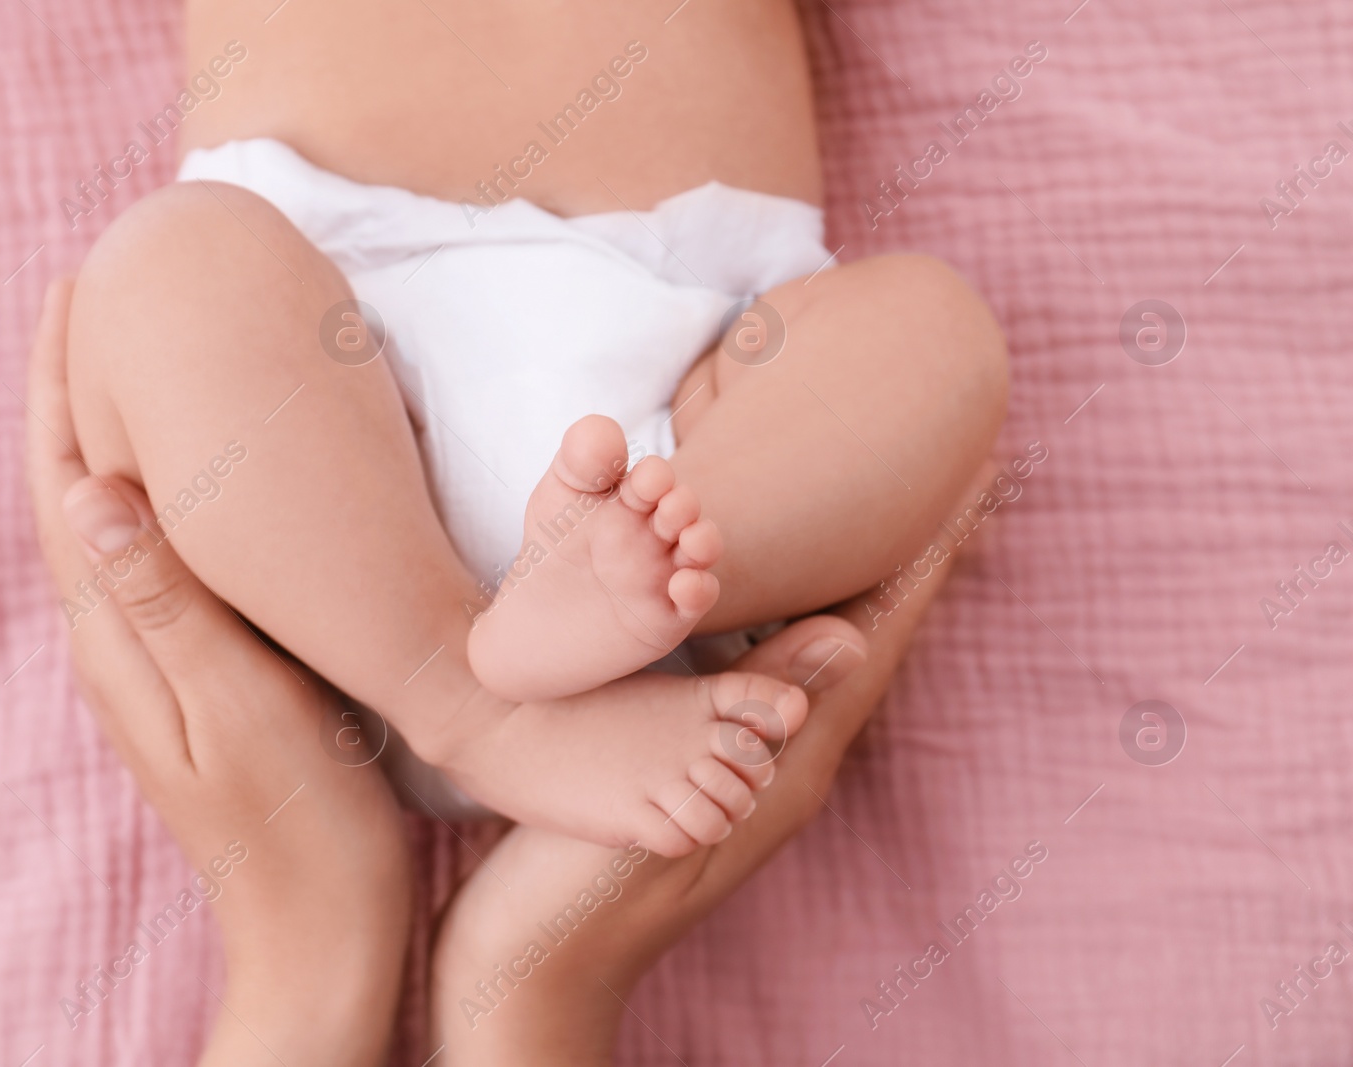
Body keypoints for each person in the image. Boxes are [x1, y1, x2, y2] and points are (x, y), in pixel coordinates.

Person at [59, 0, 1008, 853]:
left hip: (702, 402)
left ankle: (634, 578)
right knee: (169, 264)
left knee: (933, 331)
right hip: (319, 358)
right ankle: (476, 714)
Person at [28, 279, 994, 1065]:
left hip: (326, 508)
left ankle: (466, 699)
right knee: (932, 330)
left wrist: (303, 967)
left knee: (168, 273)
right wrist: (536, 996)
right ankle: (498, 708)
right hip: (693, 442)